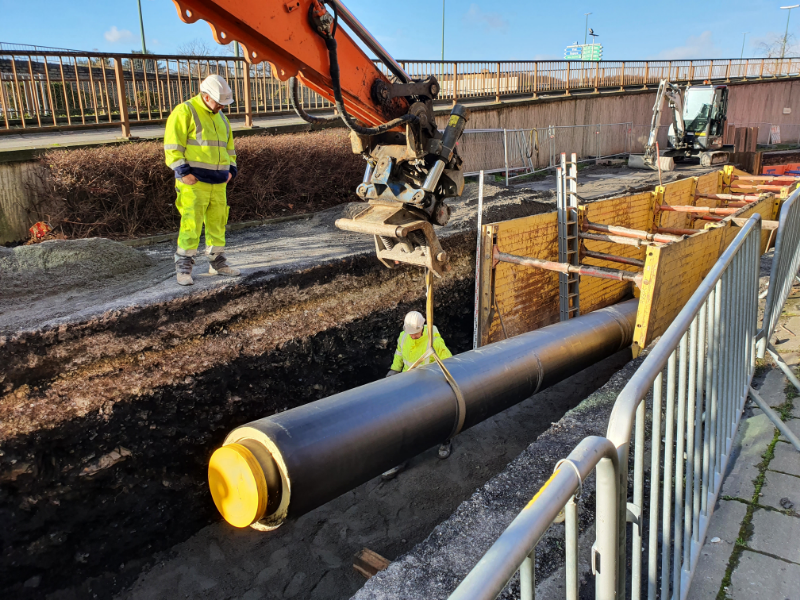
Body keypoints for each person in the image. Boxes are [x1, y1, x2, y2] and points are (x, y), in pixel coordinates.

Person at [164, 74, 241, 286]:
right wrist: (183, 172)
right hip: (194, 182)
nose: (221, 107)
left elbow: (229, 149)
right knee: (191, 224)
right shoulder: (185, 111)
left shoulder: (221, 118)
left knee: (217, 224)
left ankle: (217, 263)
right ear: (206, 96)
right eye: (219, 103)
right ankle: (184, 266)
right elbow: (172, 147)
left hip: (217, 182)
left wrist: (231, 171)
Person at [382, 311, 454, 480]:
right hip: (409, 385)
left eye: (416, 333)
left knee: (438, 417)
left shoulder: (433, 340)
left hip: (430, 386)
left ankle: (445, 441)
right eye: (410, 333)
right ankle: (401, 458)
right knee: (405, 422)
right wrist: (393, 371)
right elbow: (399, 356)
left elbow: (448, 362)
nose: (413, 336)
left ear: (423, 327)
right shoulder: (403, 337)